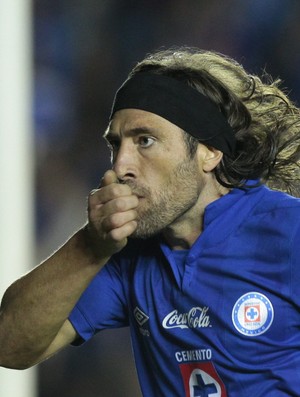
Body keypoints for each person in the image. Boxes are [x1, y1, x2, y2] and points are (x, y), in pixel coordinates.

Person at [0, 47, 300, 396]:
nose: (120, 166)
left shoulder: (288, 232)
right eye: (116, 145)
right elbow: (10, 346)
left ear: (209, 151)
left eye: (145, 141)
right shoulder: (123, 254)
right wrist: (90, 247)